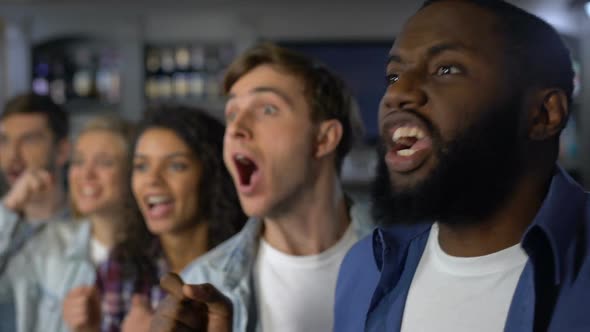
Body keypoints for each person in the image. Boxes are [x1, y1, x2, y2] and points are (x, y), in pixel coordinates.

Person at [334, 1, 590, 331]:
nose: (397, 93)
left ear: (543, 114)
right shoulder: (366, 266)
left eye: (446, 69)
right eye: (394, 75)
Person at [149, 43, 374, 332]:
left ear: (324, 139)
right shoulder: (205, 284)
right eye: (231, 114)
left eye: (267, 109)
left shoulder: (406, 260)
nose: (235, 128)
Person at [95, 106, 247, 332]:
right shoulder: (121, 266)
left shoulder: (247, 265)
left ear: (211, 176)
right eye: (142, 166)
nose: (152, 180)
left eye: (176, 166)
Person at [0, 115, 136, 332]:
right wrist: (10, 206)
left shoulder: (154, 259)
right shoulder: (48, 244)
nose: (86, 174)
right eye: (79, 161)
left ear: (133, 173)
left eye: (104, 162)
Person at [0, 93, 70, 270]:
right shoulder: (4, 217)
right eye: (4, 141)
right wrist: (9, 207)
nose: (12, 155)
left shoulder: (87, 225)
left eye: (29, 140)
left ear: (62, 151)